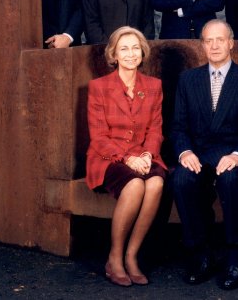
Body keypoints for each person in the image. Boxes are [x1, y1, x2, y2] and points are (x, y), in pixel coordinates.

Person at [171, 19, 238, 290]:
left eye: (220, 40)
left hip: (234, 155)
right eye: (208, 40)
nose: (214, 46)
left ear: (231, 43)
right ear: (202, 44)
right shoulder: (188, 80)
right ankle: (200, 254)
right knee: (180, 180)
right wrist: (185, 152)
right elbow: (178, 127)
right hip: (199, 154)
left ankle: (234, 257)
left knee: (230, 180)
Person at [85, 26, 167, 287]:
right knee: (133, 185)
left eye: (135, 48)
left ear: (142, 53)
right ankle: (115, 257)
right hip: (107, 156)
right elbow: (98, 137)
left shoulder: (154, 86)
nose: (130, 54)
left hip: (144, 155)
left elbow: (156, 128)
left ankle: (132, 256)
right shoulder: (99, 87)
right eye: (124, 48)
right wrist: (127, 159)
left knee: (155, 183)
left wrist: (146, 154)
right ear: (114, 54)